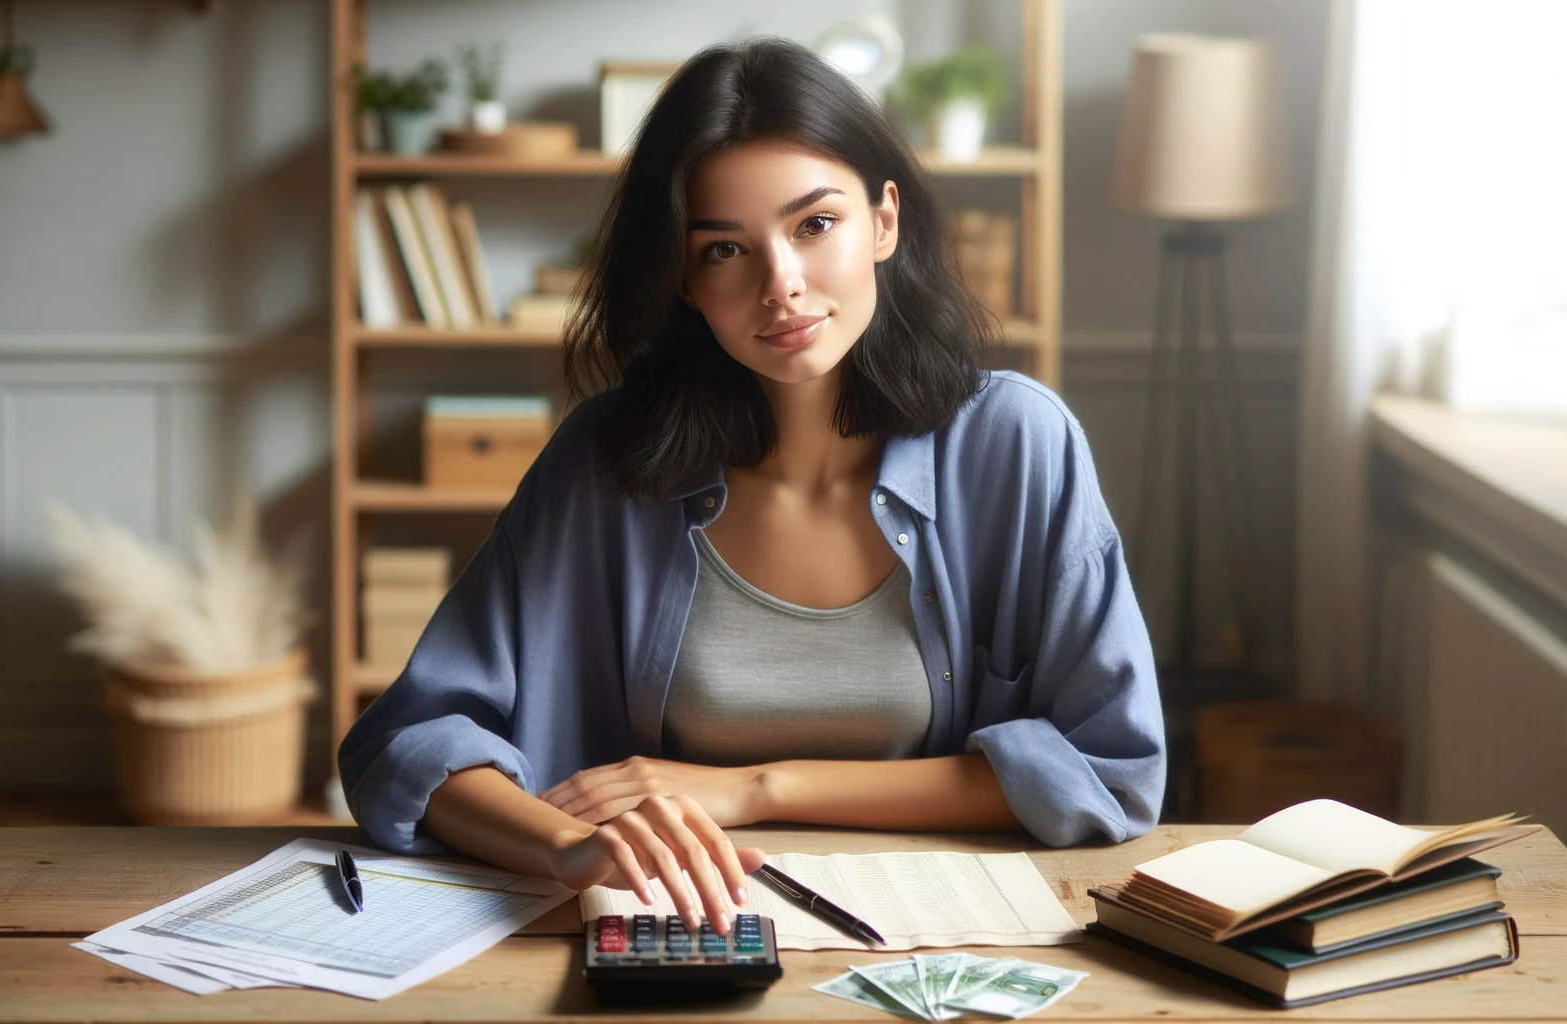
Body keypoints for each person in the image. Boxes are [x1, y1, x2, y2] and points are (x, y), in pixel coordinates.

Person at [339, 36, 1164, 939]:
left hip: (925, 939)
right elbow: (403, 748)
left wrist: (755, 788)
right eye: (725, 249)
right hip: (664, 932)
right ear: (686, 282)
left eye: (816, 225)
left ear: (884, 221)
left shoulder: (1018, 445)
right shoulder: (603, 464)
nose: (782, 285)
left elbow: (1111, 772)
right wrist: (569, 849)